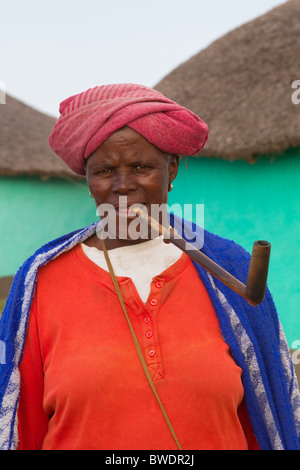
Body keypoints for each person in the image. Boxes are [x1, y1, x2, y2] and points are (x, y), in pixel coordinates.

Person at [0, 83, 300, 450]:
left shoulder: (230, 271)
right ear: (88, 180)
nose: (123, 187)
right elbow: (22, 427)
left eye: (141, 167)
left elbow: (265, 419)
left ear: (172, 170)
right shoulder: (41, 281)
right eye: (105, 171)